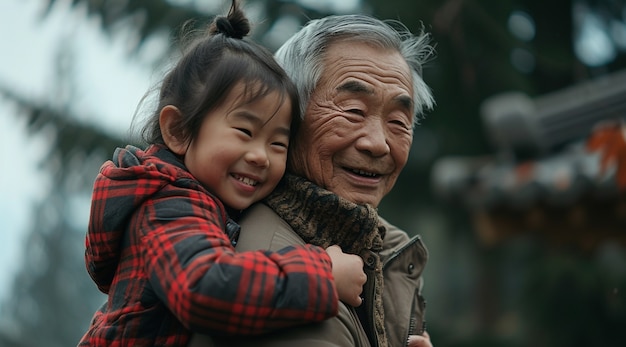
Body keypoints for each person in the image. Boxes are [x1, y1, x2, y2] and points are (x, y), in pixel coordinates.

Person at [78, 1, 368, 346]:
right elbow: (204, 289)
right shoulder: (167, 205)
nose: (261, 156)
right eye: (245, 132)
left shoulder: (207, 203)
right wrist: (322, 274)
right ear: (179, 131)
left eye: (278, 144)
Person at [190, 12, 436, 347]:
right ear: (287, 120)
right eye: (352, 111)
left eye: (398, 121)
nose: (378, 143)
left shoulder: (380, 247)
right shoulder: (283, 282)